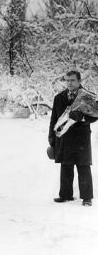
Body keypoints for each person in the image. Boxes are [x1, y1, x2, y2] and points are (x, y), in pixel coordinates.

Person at [49, 70, 98, 206]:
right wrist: (51, 137)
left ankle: (87, 198)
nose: (69, 83)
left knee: (83, 166)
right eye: (67, 80)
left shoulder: (87, 96)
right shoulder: (59, 97)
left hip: (81, 137)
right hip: (63, 137)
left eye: (72, 80)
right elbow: (53, 118)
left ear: (79, 81)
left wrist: (82, 118)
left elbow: (95, 116)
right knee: (65, 166)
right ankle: (65, 195)